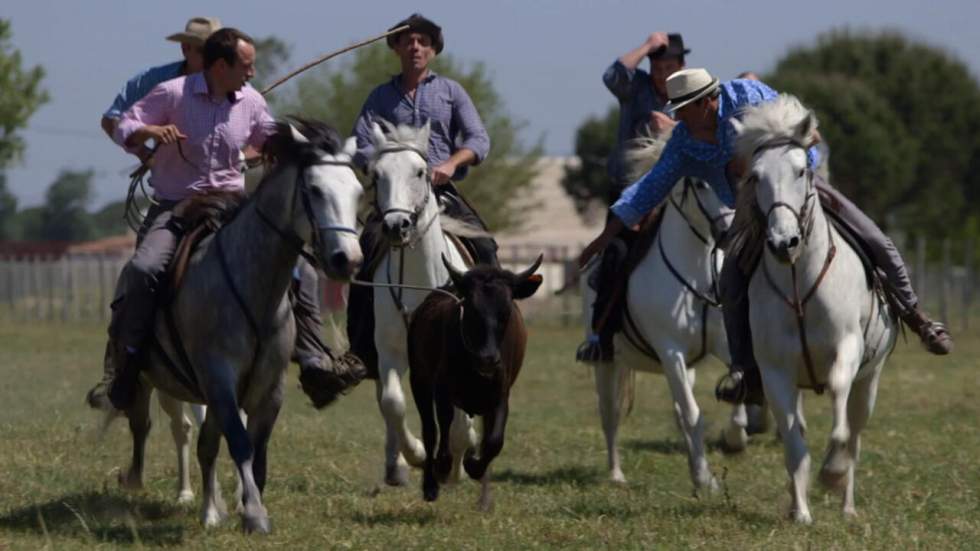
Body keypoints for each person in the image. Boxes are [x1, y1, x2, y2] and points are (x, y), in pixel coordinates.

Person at [579, 68, 953, 405]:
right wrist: (603, 237)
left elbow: (803, 131)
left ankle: (917, 318)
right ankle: (746, 371)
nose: (680, 118)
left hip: (797, 187)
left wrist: (793, 167)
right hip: (748, 211)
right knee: (730, 280)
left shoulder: (745, 95)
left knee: (875, 239)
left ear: (708, 101)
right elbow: (648, 190)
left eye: (684, 109)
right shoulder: (683, 143)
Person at [85, 28, 362, 411]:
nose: (252, 73)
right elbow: (124, 125)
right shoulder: (173, 93)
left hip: (233, 206)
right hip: (177, 205)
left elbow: (266, 136)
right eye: (246, 66)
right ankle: (126, 367)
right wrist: (150, 131)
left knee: (306, 271)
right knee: (144, 268)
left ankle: (315, 360)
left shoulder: (249, 101)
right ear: (221, 66)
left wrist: (299, 147)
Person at [346, 13, 493, 375]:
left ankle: (493, 334)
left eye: (423, 41)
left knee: (486, 249)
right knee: (364, 255)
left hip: (441, 193)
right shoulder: (379, 96)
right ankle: (360, 351)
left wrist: (450, 163)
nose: (415, 47)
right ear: (395, 47)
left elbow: (479, 139)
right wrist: (385, 164)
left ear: (433, 50)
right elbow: (359, 144)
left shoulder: (451, 92)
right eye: (407, 40)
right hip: (393, 197)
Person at [577, 33, 690, 362]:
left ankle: (728, 331)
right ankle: (601, 335)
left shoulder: (692, 96)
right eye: (657, 66)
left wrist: (672, 128)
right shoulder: (636, 87)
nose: (661, 73)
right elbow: (611, 76)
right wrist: (644, 47)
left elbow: (706, 132)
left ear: (682, 68)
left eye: (669, 67)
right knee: (615, 253)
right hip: (629, 190)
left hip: (675, 192)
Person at [101, 17, 222, 148]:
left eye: (218, 54)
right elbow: (111, 119)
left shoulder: (236, 86)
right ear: (185, 48)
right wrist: (144, 154)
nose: (212, 59)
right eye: (204, 51)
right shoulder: (155, 79)